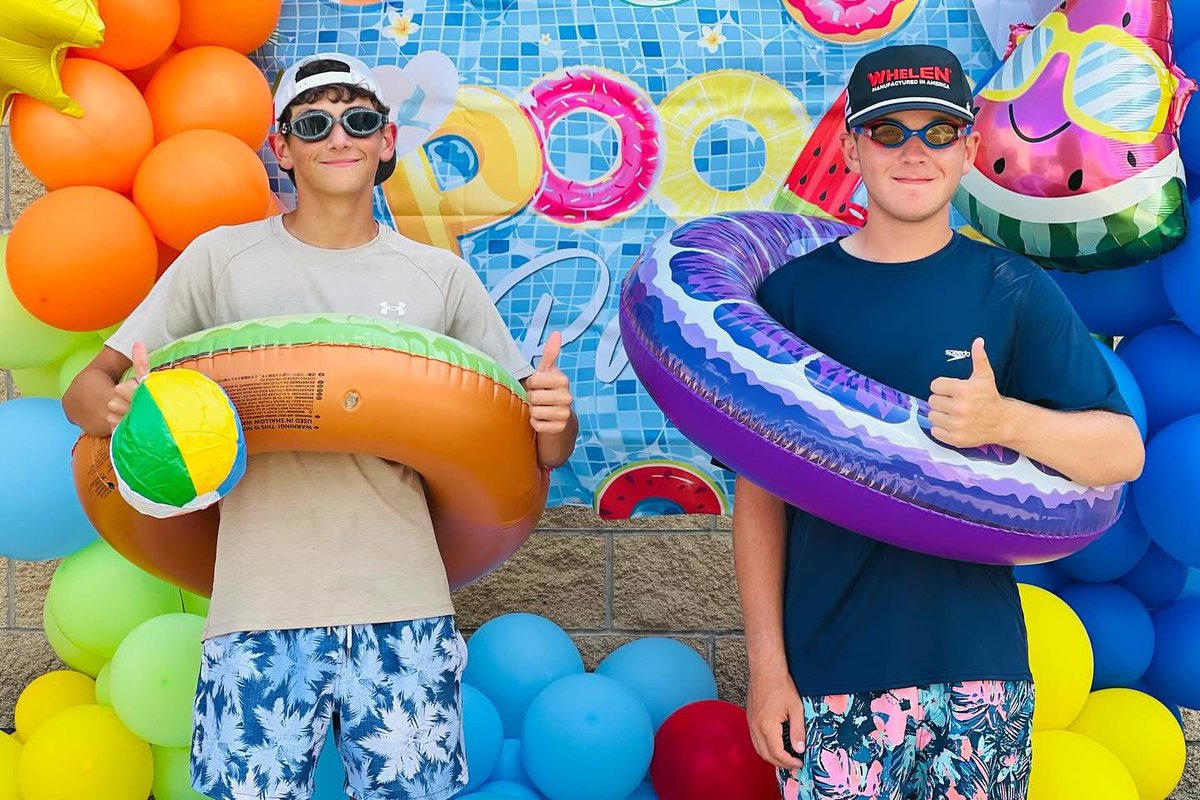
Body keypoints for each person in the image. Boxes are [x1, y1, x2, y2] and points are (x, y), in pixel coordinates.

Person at [63, 52, 577, 800]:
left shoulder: (439, 276)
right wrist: (110, 408)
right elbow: (87, 387)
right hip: (257, 607)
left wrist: (556, 416)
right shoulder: (222, 262)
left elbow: (540, 449)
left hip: (403, 606)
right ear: (282, 146)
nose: (339, 137)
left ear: (386, 139)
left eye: (358, 120)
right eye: (314, 123)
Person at [734, 44, 1145, 799]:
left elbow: (1121, 452)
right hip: (829, 676)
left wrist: (1006, 419)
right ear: (852, 148)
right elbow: (759, 499)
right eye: (890, 132)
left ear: (969, 149)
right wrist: (766, 668)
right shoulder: (789, 299)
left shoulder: (1013, 289)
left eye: (939, 132)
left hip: (979, 679)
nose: (915, 151)